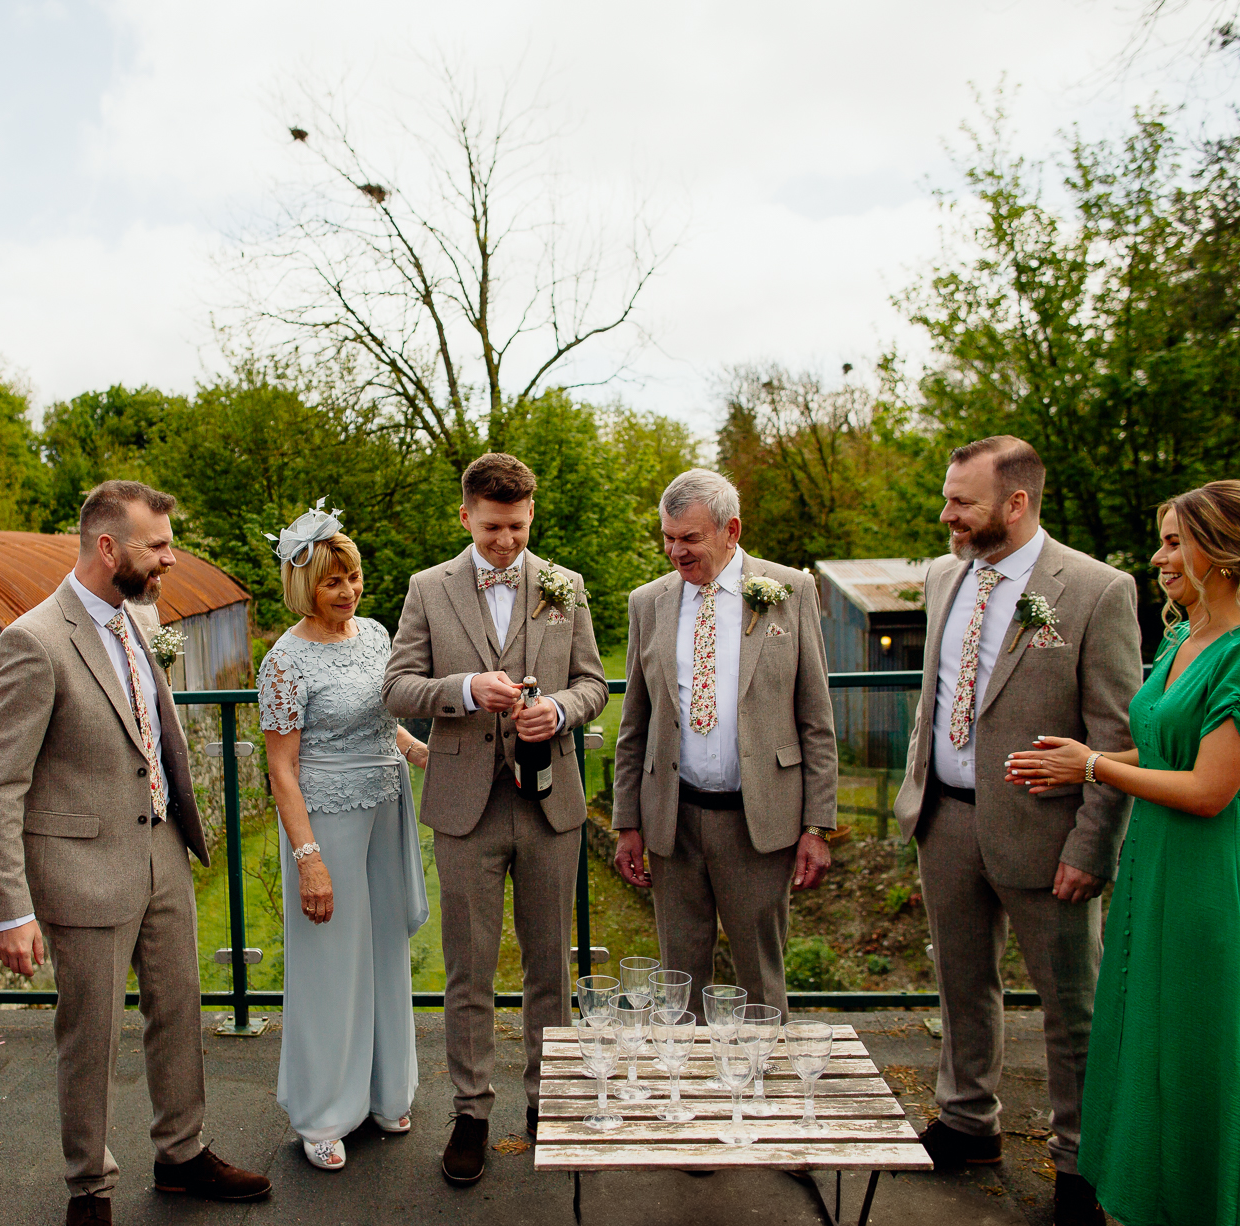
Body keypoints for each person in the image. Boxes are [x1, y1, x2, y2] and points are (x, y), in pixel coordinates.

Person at [0, 480, 270, 1226]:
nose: (171, 559)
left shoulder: (138, 617)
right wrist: (9, 909)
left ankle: (181, 1154)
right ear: (108, 548)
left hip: (161, 850)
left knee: (180, 1011)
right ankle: (89, 1193)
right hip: (79, 866)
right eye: (158, 547)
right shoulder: (33, 641)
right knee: (91, 1037)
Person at [1008, 480, 1240, 1226]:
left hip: (1215, 883)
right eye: (1163, 540)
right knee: (1154, 1052)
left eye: (1177, 542)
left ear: (1226, 552)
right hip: (1156, 869)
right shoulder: (1182, 642)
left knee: (1205, 1054)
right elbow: (1169, 750)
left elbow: (1211, 789)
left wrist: (1095, 765)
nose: (1161, 556)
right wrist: (1075, 764)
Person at [891, 435, 1140, 1226]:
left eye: (961, 501)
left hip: (1046, 833)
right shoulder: (943, 575)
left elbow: (1117, 734)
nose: (946, 514)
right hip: (946, 818)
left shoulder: (1098, 591)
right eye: (948, 498)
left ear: (1016, 503)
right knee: (962, 985)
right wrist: (917, 798)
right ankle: (968, 1119)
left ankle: (1080, 1165)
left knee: (1075, 1011)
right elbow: (935, 693)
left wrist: (1092, 847)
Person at [382, 452, 609, 1185]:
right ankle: (472, 1111)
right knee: (469, 967)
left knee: (551, 964)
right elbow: (397, 689)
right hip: (463, 806)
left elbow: (593, 685)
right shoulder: (428, 588)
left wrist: (561, 709)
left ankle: (550, 1100)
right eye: (490, 530)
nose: (505, 543)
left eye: (515, 527)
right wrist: (464, 689)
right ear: (465, 517)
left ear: (531, 515)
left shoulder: (564, 587)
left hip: (551, 806)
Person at [610, 468, 838, 1014]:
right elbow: (635, 723)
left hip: (760, 822)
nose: (675, 552)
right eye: (668, 537)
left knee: (761, 978)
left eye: (690, 538)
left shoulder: (791, 591)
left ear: (731, 530)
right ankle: (684, 1094)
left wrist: (816, 825)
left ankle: (761, 1093)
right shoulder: (649, 602)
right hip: (674, 819)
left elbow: (816, 718)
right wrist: (627, 823)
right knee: (677, 984)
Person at [257, 504, 433, 1172]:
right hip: (324, 818)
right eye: (334, 580)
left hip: (386, 808)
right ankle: (325, 1111)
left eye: (354, 576)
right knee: (332, 963)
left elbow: (384, 722)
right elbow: (280, 768)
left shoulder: (377, 635)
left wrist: (422, 756)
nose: (349, 590)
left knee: (384, 950)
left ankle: (387, 1091)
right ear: (305, 585)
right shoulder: (283, 661)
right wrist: (309, 862)